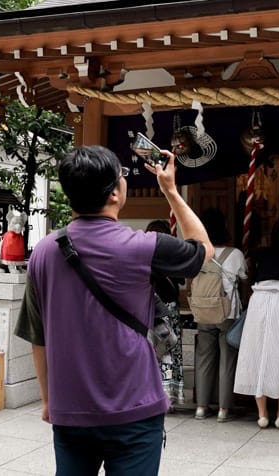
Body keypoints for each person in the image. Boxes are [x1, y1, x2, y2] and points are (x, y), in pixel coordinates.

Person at [14, 145, 213, 475]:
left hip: (71, 410)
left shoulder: (44, 252)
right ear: (114, 194)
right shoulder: (143, 246)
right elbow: (204, 248)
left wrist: (48, 400)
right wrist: (170, 191)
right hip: (134, 409)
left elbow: (38, 335)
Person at [234, 217, 279, 429]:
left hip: (260, 300)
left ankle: (262, 414)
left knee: (258, 352)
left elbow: (250, 277)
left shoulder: (260, 254)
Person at [194, 207, 247, 423]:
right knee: (227, 359)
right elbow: (244, 276)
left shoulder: (198, 252)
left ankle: (201, 407)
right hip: (227, 311)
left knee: (203, 358)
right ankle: (224, 409)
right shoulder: (235, 254)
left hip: (202, 310)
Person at [145, 218, 186, 407]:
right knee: (170, 348)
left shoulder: (143, 257)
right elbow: (182, 280)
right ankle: (169, 395)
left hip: (150, 309)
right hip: (169, 308)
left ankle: (151, 392)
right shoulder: (172, 257)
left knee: (152, 349)